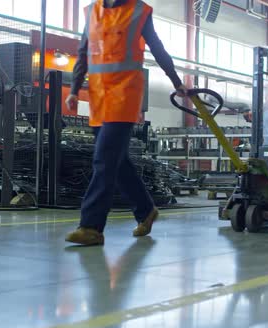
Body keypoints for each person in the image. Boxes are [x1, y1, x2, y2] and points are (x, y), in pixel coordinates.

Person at [65, 0, 186, 245]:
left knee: (104, 160)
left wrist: (176, 82)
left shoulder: (139, 11)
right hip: (99, 99)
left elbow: (158, 49)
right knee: (117, 163)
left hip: (125, 95)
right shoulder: (92, 12)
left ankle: (91, 227)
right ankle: (145, 209)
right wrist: (74, 89)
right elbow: (83, 52)